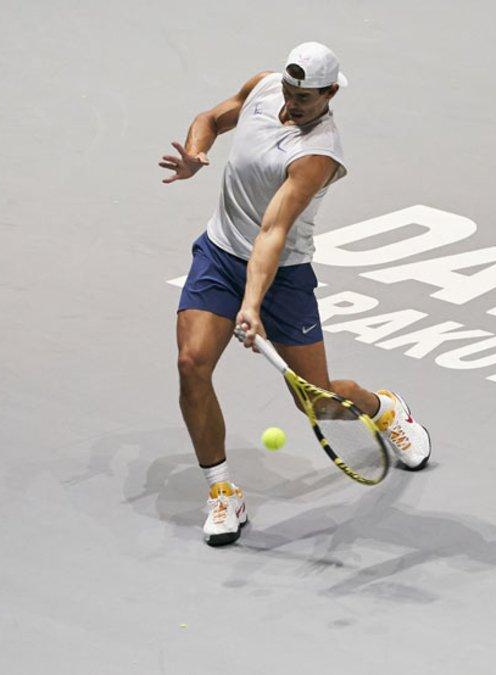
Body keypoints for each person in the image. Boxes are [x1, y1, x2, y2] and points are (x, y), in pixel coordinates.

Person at [160, 42, 431, 547]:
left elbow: (273, 230)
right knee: (191, 363)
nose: (293, 101)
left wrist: (252, 303)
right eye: (290, 89)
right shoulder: (265, 87)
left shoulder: (317, 155)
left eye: (306, 95)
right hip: (219, 255)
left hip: (282, 275)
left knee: (318, 403)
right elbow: (211, 118)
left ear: (331, 93)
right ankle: (222, 490)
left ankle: (382, 408)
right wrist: (198, 153)